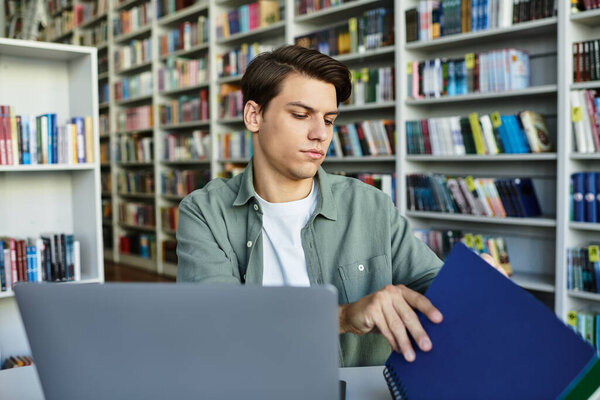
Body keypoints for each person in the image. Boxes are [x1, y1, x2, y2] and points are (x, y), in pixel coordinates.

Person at [176, 45, 506, 367]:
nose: (321, 134)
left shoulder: (371, 205)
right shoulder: (204, 212)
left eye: (330, 119)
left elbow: (432, 291)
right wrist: (343, 317)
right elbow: (214, 323)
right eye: (301, 115)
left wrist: (472, 287)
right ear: (254, 116)